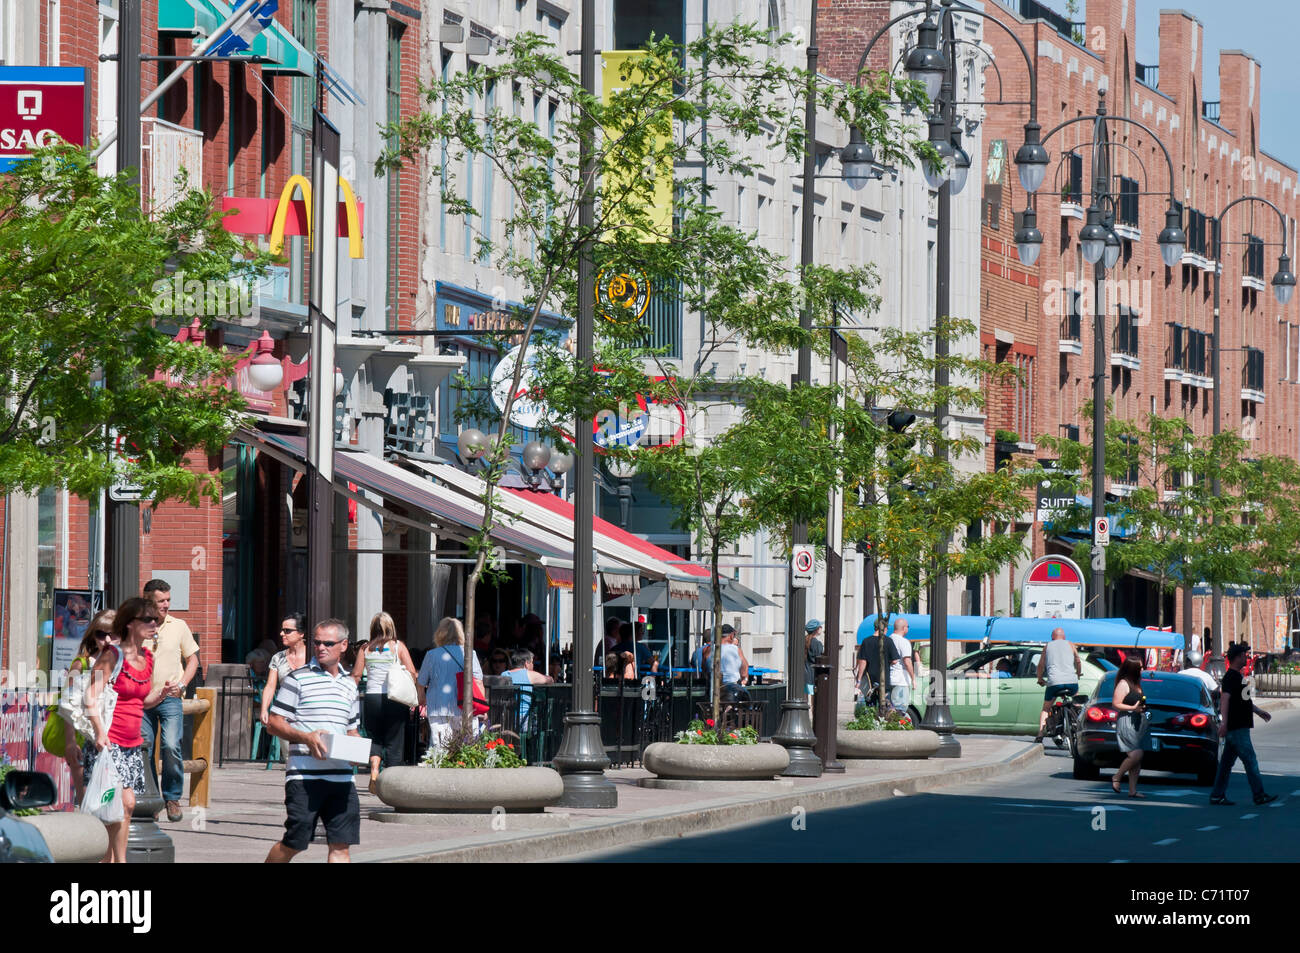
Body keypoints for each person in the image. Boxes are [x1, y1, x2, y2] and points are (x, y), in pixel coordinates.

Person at [82, 598, 179, 862]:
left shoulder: (148, 658)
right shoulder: (112, 655)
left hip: (132, 743)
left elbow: (141, 700)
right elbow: (90, 695)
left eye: (155, 619)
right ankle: (109, 859)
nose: (154, 623)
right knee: (112, 806)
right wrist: (99, 732)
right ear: (129, 624)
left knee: (126, 806)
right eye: (147, 619)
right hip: (109, 741)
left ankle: (116, 860)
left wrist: (161, 695)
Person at [263, 619, 364, 863]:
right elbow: (274, 723)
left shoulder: (350, 686)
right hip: (304, 777)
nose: (320, 647)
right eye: (317, 642)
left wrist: (363, 752)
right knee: (295, 842)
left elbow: (352, 731)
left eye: (328, 643)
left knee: (341, 847)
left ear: (343, 645)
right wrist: (305, 738)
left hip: (342, 778)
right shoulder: (297, 679)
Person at [140, 578, 199, 823]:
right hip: (142, 700)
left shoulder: (179, 625)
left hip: (170, 698)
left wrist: (183, 684)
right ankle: (152, 799)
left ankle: (172, 797)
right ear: (148, 602)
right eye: (160, 601)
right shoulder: (137, 626)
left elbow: (193, 659)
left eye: (168, 600)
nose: (166, 605)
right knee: (145, 747)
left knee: (171, 745)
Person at [351, 612, 418, 794]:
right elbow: (412, 673)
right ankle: (392, 782)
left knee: (375, 738)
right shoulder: (398, 647)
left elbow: (356, 675)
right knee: (394, 741)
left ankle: (374, 772)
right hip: (394, 698)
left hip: (372, 698)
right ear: (391, 627)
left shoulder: (365, 648)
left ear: (373, 628)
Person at [1209, 642, 1278, 806]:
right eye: (1244, 655)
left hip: (1240, 725)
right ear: (1237, 657)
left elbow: (1246, 702)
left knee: (1226, 763)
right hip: (1236, 727)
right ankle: (1259, 795)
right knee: (1250, 760)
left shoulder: (1240, 677)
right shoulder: (1230, 677)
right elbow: (1225, 700)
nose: (1246, 658)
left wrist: (1259, 712)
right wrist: (1224, 722)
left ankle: (1217, 795)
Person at [62, 610, 115, 804]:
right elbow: (68, 705)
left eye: (113, 633)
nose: (107, 639)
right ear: (93, 635)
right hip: (86, 738)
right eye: (101, 634)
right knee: (88, 802)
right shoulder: (81, 664)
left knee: (112, 802)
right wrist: (70, 742)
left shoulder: (123, 662)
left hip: (114, 738)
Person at [416, 617, 484, 751]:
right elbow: (478, 681)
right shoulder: (470, 653)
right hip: (465, 706)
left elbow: (421, 682)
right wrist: (481, 705)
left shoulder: (431, 655)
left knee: (440, 748)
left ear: (439, 633)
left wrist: (421, 698)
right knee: (467, 750)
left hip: (438, 706)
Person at [1035, 626, 1082, 742]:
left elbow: (1041, 665)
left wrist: (1040, 678)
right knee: (1077, 703)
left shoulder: (1048, 646)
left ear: (1052, 637)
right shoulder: (1070, 644)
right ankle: (1079, 724)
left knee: (1046, 709)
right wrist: (1078, 673)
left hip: (1054, 682)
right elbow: (1078, 660)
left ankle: (1040, 734)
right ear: (1064, 637)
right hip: (1072, 681)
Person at [260, 614, 308, 727]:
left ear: (301, 633)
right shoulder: (278, 658)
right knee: (286, 744)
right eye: (282, 630)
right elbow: (270, 686)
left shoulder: (313, 657)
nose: (282, 634)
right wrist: (264, 709)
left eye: (287, 631)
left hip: (308, 714)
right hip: (284, 714)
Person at [1111, 657, 1148, 798]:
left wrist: (1146, 713)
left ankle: (1132, 790)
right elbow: (1116, 704)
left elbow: (1141, 704)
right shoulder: (1123, 683)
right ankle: (1117, 776)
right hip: (1127, 721)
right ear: (1133, 669)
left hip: (1138, 722)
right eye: (1140, 667)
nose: (1142, 670)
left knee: (1137, 760)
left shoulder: (1136, 683)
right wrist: (1132, 708)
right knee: (1136, 754)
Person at [505, 649, 554, 730]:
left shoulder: (504, 674)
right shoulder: (530, 675)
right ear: (526, 663)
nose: (533, 665)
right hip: (524, 719)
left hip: (506, 717)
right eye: (532, 662)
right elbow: (550, 680)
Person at [854, 624, 901, 703]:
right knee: (884, 705)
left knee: (870, 706)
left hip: (870, 681)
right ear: (884, 629)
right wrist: (886, 663)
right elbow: (895, 660)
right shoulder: (888, 640)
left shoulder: (866, 641)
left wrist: (859, 680)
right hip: (884, 679)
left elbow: (862, 661)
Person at [885, 618, 916, 712]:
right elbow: (907, 661)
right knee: (900, 710)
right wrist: (913, 678)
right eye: (907, 627)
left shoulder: (888, 639)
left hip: (889, 678)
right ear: (904, 628)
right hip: (901, 680)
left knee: (890, 710)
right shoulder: (904, 642)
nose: (908, 628)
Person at [804, 619, 825, 698]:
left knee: (806, 698)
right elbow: (818, 658)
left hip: (805, 674)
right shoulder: (816, 643)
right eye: (820, 626)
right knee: (812, 699)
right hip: (812, 675)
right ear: (816, 629)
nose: (821, 628)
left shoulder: (804, 640)